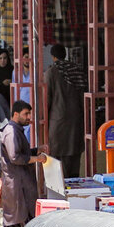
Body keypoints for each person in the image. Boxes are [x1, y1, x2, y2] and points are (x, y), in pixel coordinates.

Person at [0, 100, 47, 227]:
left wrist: (36, 150)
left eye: (29, 114)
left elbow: (21, 152)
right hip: (16, 185)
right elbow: (15, 157)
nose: (28, 117)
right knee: (13, 225)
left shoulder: (16, 130)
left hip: (22, 184)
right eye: (26, 114)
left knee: (23, 222)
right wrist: (36, 159)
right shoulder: (11, 131)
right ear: (16, 114)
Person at [44, 44, 86, 178]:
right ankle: (74, 186)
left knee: (57, 159)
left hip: (58, 122)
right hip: (76, 119)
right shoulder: (77, 71)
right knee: (74, 156)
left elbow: (47, 100)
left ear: (53, 56)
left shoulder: (51, 73)